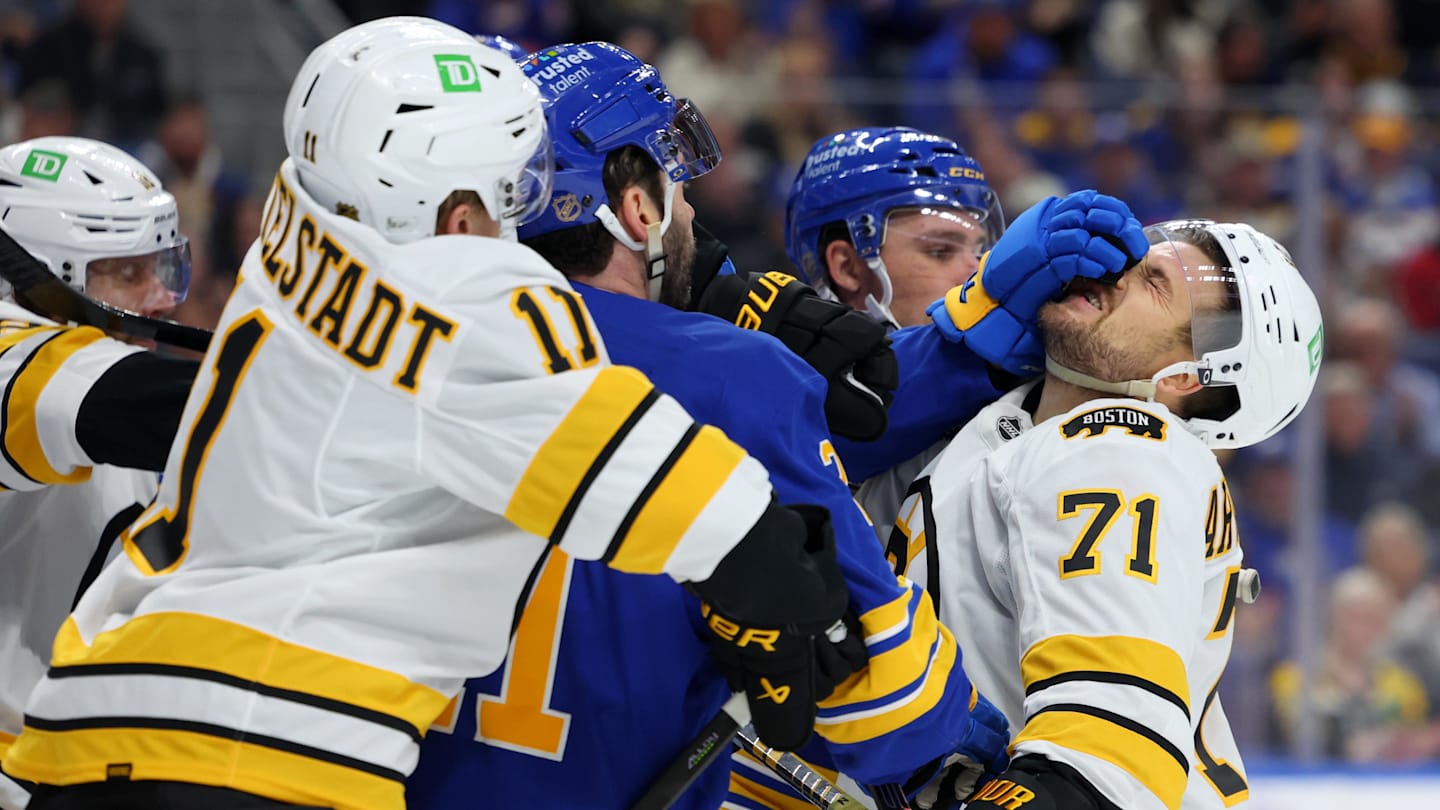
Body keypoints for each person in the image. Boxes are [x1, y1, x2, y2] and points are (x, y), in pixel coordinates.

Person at [5, 19, 858, 810]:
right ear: (457, 214)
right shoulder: (464, 306)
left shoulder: (284, 245)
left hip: (80, 725)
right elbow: (685, 499)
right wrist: (786, 594)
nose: (518, 222)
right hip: (260, 752)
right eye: (509, 192)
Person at [408, 41, 1010, 810]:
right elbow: (890, 709)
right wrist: (961, 721)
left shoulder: (403, 352)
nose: (690, 210)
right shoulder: (733, 375)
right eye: (677, 185)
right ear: (638, 208)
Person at [889, 207, 1324, 809]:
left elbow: (1109, 754)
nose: (1114, 271)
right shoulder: (1020, 422)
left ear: (1185, 378)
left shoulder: (1120, 449)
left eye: (1154, 284)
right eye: (1139, 259)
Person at [0, 135, 199, 810]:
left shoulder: (120, 369)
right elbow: (118, 402)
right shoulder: (30, 357)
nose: (161, 297)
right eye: (127, 272)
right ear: (41, 281)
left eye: (163, 267)